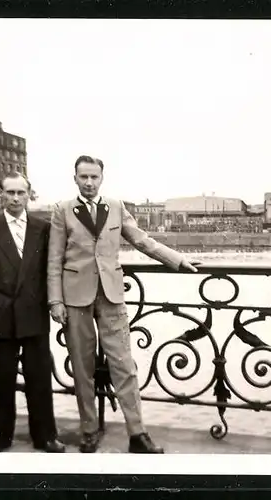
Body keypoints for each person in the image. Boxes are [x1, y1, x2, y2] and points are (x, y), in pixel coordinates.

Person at [48, 155, 199, 454]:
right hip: (75, 297)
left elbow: (142, 241)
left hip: (112, 294)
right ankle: (89, 430)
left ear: (102, 178)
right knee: (82, 367)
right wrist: (55, 300)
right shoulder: (62, 210)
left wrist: (178, 260)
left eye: (94, 177)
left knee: (124, 365)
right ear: (75, 178)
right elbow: (54, 259)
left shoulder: (116, 207)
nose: (89, 182)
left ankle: (137, 433)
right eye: (83, 177)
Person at [0, 172, 65, 453]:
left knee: (39, 376)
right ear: (1, 194)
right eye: (10, 193)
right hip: (2, 315)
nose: (15, 198)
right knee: (1, 378)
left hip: (34, 313)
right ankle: (1, 436)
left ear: (28, 194)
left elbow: (50, 270)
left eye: (20, 193)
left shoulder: (43, 228)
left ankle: (45, 436)